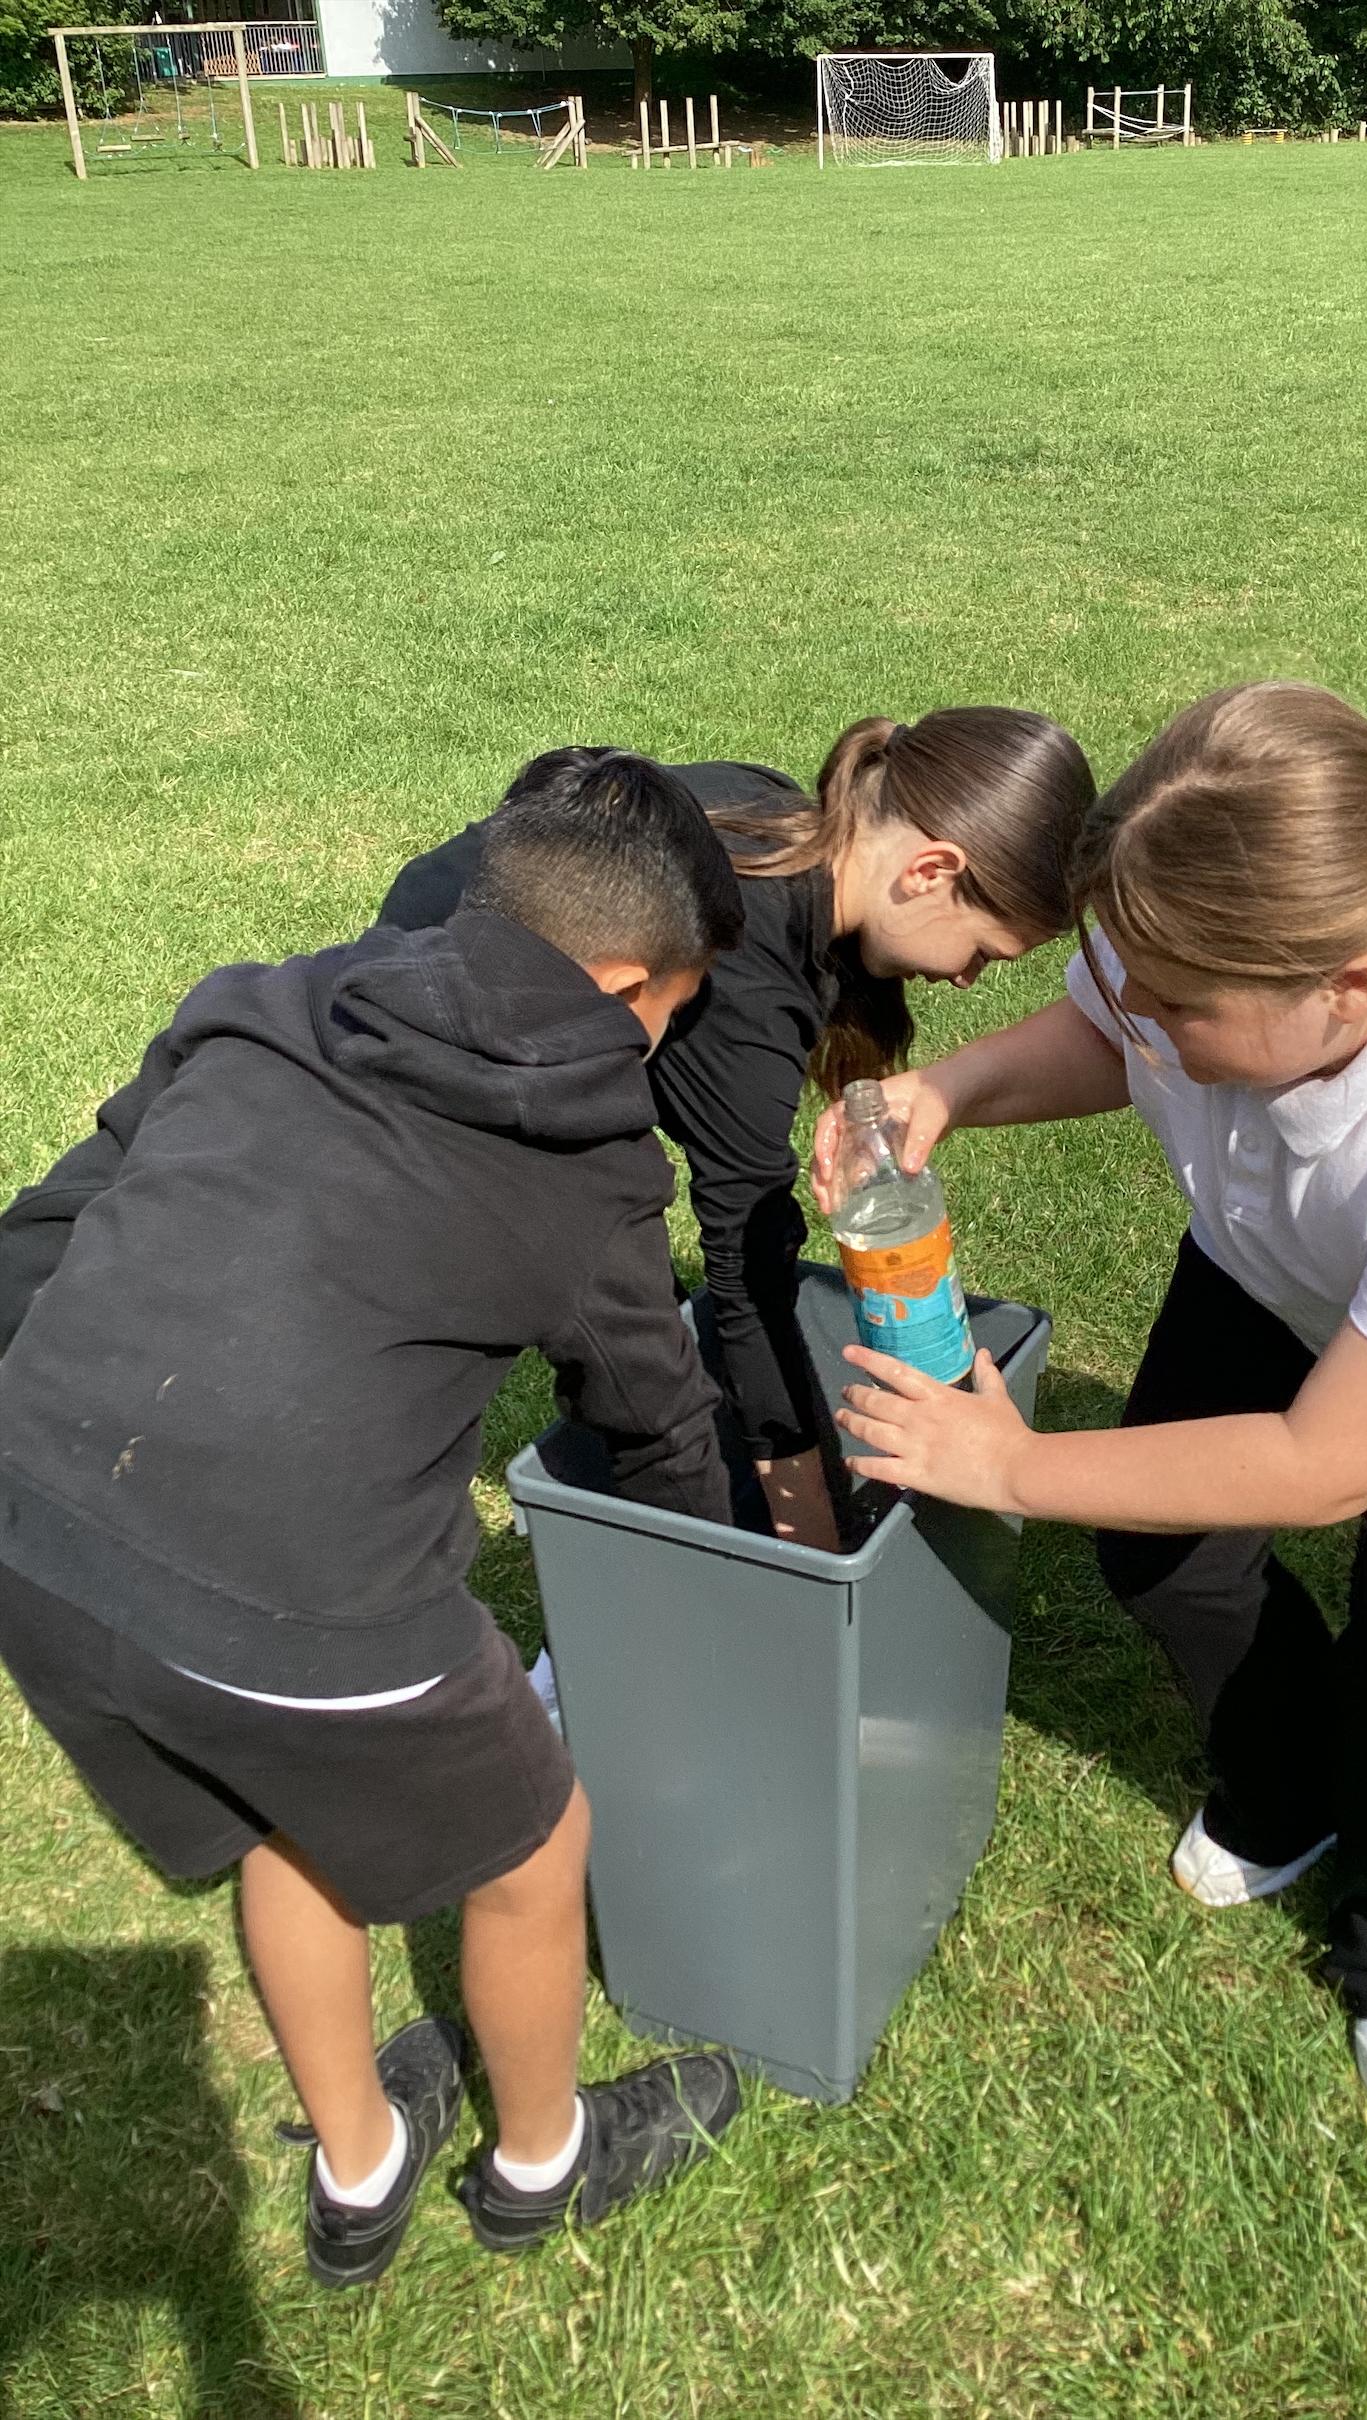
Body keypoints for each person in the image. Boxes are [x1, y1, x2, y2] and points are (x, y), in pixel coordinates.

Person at [815, 682, 1367, 2114]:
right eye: (1132, 980)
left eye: (1182, 1008)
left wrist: (1009, 1464)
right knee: (1159, 1548)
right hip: (1275, 1249)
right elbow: (1109, 1031)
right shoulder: (1178, 930)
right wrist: (948, 1090)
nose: (1145, 1023)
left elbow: (1322, 1463)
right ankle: (1285, 1788)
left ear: (1348, 989)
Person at [0, 754, 748, 2287]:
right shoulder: (591, 1158)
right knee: (536, 1842)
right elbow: (652, 1412)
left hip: (33, 1538)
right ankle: (541, 2165)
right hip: (298, 1609)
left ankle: (360, 2172)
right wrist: (712, 1601)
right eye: (673, 1013)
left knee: (295, 1817)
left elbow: (48, 1231)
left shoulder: (266, 1000)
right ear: (624, 984)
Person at [380, 711, 1097, 1555]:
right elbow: (746, 1257)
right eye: (983, 952)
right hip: (446, 1035)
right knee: (618, 1325)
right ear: (931, 870)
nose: (969, 980)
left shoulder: (780, 820)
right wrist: (812, 1534)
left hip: (485, 959)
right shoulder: (746, 975)